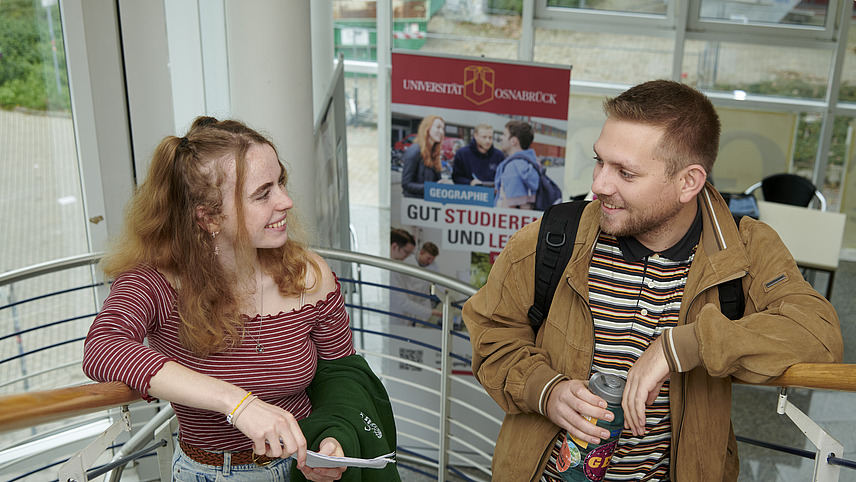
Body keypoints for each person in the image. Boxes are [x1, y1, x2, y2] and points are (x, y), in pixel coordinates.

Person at [462, 80, 843, 481]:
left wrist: (682, 346)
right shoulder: (552, 237)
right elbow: (490, 335)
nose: (599, 185)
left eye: (626, 172)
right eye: (600, 161)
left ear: (687, 182)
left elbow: (818, 335)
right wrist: (546, 390)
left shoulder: (746, 249)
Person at [82, 116, 355, 481]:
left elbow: (343, 379)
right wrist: (238, 404)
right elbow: (103, 349)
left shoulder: (310, 274)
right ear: (209, 218)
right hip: (211, 473)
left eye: (281, 182)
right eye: (263, 193)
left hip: (304, 465)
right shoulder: (153, 282)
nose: (287, 201)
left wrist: (335, 438)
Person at [390, 241, 443, 326]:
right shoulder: (407, 261)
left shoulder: (434, 266)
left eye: (432, 259)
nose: (430, 262)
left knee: (418, 326)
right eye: (428, 258)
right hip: (406, 301)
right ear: (421, 252)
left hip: (422, 301)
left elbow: (439, 283)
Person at [494, 120, 540, 209]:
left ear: (513, 141)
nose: (501, 138)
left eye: (504, 135)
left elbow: (510, 206)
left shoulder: (512, 167)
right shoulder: (532, 162)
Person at [401, 115, 445, 198]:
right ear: (427, 128)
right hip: (415, 204)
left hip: (427, 204)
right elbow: (406, 184)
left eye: (443, 129)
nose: (441, 132)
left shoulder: (434, 153)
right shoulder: (414, 151)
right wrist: (431, 188)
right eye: (438, 127)